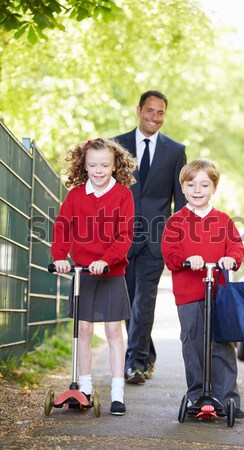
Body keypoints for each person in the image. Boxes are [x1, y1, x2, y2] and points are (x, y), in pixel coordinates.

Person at [51, 138, 136, 415]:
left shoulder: (123, 195)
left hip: (111, 271)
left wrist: (105, 260)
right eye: (92, 165)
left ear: (115, 166)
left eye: (104, 165)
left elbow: (124, 236)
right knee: (84, 329)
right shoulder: (75, 195)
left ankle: (117, 391)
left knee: (113, 330)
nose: (98, 170)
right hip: (83, 272)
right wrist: (60, 257)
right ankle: (84, 388)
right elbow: (63, 229)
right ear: (83, 166)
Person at [161, 158, 244, 419]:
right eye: (191, 184)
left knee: (222, 346)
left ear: (214, 188)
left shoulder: (223, 220)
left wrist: (231, 258)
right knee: (193, 345)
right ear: (183, 189)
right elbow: (170, 253)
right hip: (188, 295)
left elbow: (236, 247)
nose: (197, 190)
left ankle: (227, 398)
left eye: (204, 184)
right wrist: (188, 259)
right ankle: (197, 395)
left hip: (219, 295)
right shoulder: (176, 221)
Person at [113, 90, 187, 384]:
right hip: (122, 236)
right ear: (139, 110)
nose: (154, 117)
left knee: (145, 300)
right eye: (150, 111)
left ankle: (135, 363)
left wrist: (179, 238)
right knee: (127, 301)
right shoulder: (117, 145)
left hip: (156, 237)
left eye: (160, 113)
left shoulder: (175, 150)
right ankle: (146, 351)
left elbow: (180, 199)